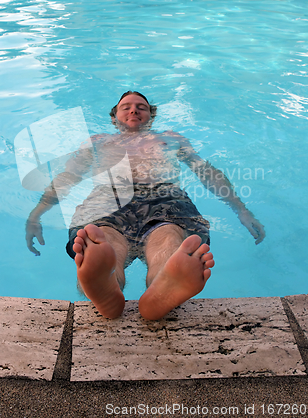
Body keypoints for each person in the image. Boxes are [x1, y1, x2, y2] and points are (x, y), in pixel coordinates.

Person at [26, 91, 265, 320]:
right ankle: (106, 281)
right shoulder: (98, 142)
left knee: (168, 237)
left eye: (141, 107)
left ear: (151, 115)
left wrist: (240, 208)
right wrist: (37, 214)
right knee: (104, 240)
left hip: (165, 197)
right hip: (109, 198)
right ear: (114, 117)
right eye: (126, 107)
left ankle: (163, 286)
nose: (134, 110)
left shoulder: (170, 139)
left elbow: (205, 171)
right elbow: (69, 176)